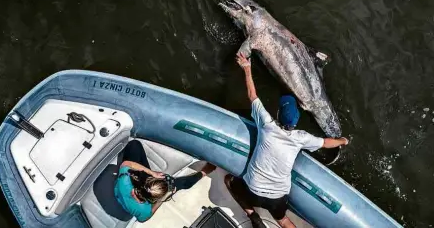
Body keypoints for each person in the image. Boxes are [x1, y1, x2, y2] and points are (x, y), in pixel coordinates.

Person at [224, 53, 349, 228]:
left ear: (277, 114)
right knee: (283, 221)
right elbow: (327, 143)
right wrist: (343, 141)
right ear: (297, 120)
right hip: (277, 197)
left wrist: (247, 68)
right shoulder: (301, 138)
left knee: (228, 180)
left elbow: (252, 95)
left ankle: (252, 215)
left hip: (252, 190)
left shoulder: (267, 124)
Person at [115, 140, 216, 222]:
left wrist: (152, 173)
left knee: (134, 144)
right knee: (181, 184)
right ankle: (204, 172)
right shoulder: (143, 210)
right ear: (154, 200)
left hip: (123, 190)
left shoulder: (125, 180)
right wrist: (165, 197)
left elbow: (126, 163)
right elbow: (144, 219)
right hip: (141, 189)